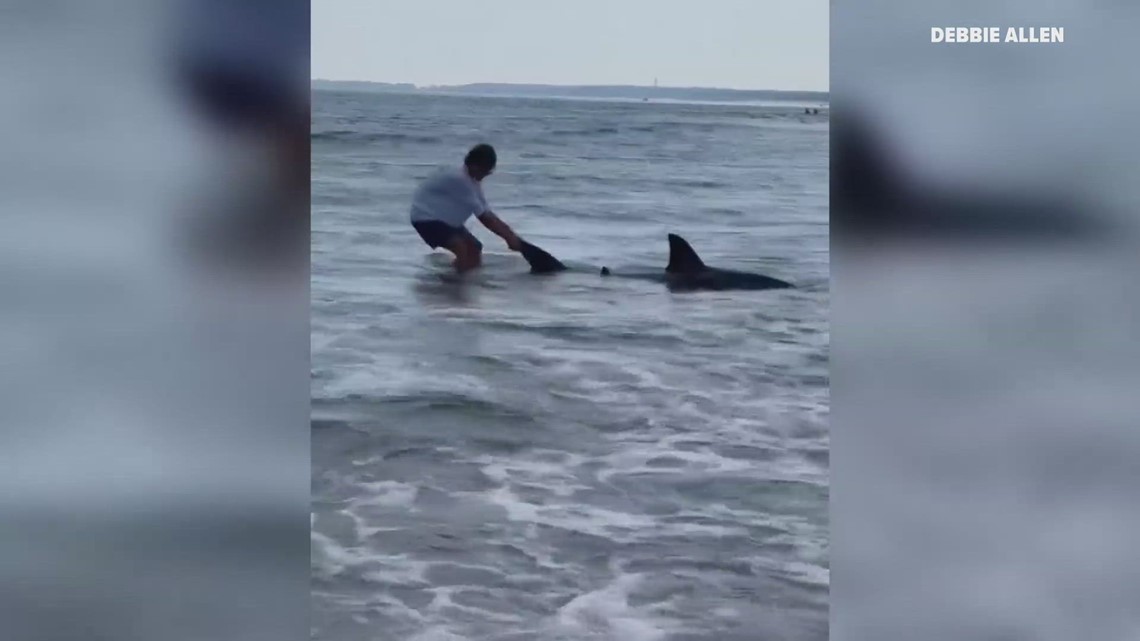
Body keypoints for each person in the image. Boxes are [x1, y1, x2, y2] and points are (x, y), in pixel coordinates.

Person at [410, 144, 523, 273]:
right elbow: (484, 218)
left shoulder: (472, 181)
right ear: (474, 166)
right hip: (425, 218)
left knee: (474, 248)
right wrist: (509, 238)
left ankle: (465, 278)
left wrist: (512, 236)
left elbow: (486, 211)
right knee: (461, 247)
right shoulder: (460, 180)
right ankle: (456, 285)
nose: (486, 175)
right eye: (485, 171)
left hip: (444, 219)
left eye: (489, 172)